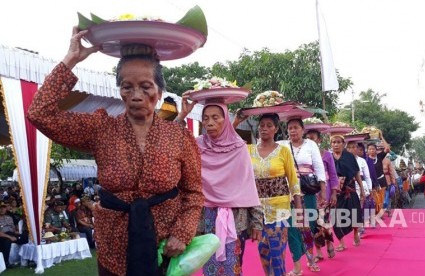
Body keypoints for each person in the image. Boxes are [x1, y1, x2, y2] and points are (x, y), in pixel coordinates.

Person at [27, 27, 203, 276]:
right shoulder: (101, 128)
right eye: (127, 87)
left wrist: (182, 232)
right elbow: (39, 114)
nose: (136, 96)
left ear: (160, 92)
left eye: (145, 86)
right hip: (114, 248)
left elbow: (193, 193)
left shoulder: (179, 136)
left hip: (165, 248)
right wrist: (72, 59)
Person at [177, 100, 263, 275]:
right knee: (209, 265)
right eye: (206, 118)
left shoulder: (239, 147)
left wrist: (257, 222)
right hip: (205, 215)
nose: (209, 123)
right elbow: (170, 144)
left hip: (235, 216)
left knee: (233, 265)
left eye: (215, 117)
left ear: (225, 120)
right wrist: (182, 115)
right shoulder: (196, 145)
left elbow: (248, 184)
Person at [248, 113, 302, 275]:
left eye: (269, 125)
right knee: (263, 249)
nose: (264, 128)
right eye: (262, 125)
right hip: (256, 209)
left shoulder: (283, 151)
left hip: (280, 209)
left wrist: (299, 209)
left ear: (276, 129)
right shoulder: (248, 150)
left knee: (277, 252)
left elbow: (293, 180)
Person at [277, 118, 327, 274]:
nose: (292, 131)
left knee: (308, 227)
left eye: (296, 128)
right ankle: (297, 267)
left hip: (308, 193)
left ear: (303, 129)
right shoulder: (282, 145)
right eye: (290, 128)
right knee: (292, 229)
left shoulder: (311, 145)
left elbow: (319, 167)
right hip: (289, 193)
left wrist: (323, 191)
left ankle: (311, 259)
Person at [305, 128, 338, 262]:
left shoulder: (326, 155)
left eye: (313, 138)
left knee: (324, 221)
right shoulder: (303, 155)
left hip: (326, 192)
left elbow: (333, 175)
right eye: (308, 139)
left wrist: (334, 193)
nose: (310, 141)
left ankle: (329, 243)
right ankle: (318, 250)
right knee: (313, 223)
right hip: (309, 193)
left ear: (319, 140)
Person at [329, 134, 365, 251]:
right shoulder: (329, 157)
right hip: (335, 192)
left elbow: (356, 173)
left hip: (349, 189)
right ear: (331, 144)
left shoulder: (350, 157)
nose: (336, 144)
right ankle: (341, 242)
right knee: (335, 217)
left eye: (338, 142)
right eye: (334, 142)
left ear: (343, 144)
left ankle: (355, 234)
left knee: (353, 213)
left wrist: (362, 189)